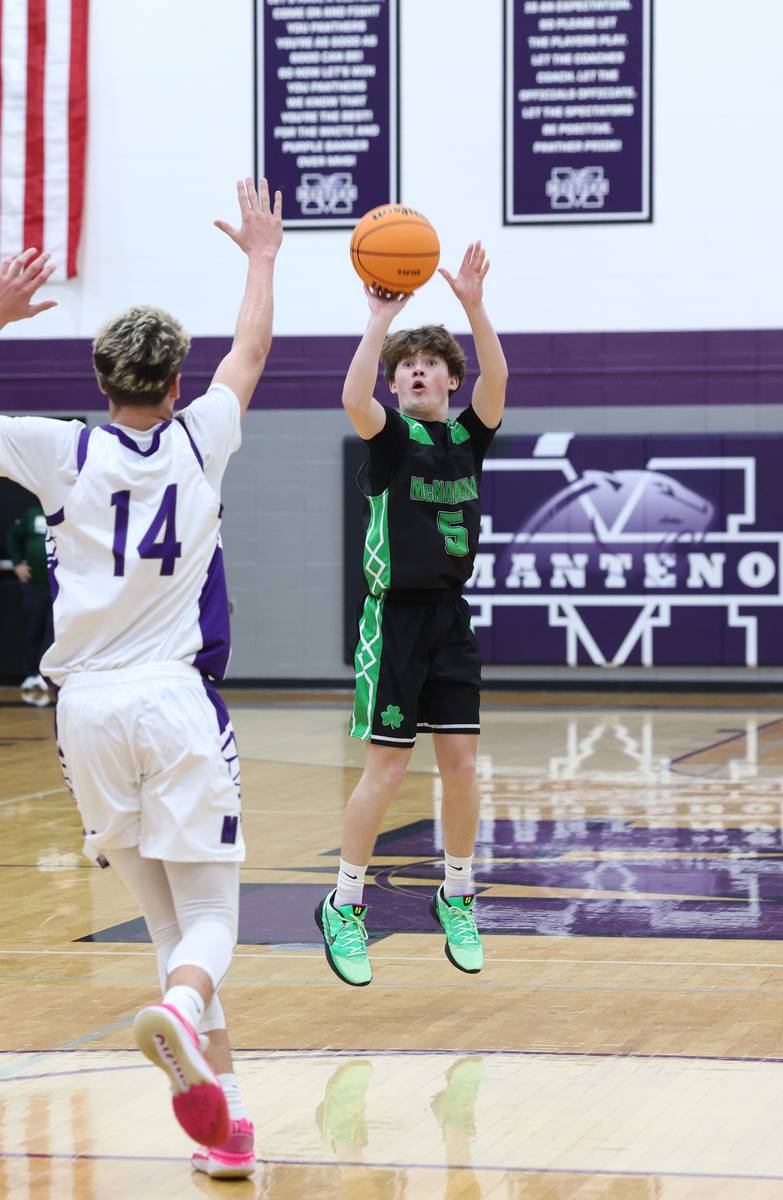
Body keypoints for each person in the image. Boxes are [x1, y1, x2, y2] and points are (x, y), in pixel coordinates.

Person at [0, 177, 282, 1180]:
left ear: (101, 375)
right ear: (174, 382)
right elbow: (250, 353)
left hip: (82, 713)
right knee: (206, 927)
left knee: (167, 926)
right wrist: (260, 256)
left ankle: (225, 1127)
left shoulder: (58, 449)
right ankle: (175, 1013)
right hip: (172, 699)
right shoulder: (202, 437)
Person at [316, 242, 508, 986]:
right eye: (406, 366)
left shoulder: (469, 436)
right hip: (392, 621)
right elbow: (350, 400)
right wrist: (378, 320)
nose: (417, 371)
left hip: (450, 619)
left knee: (461, 767)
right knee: (388, 770)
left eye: (430, 364)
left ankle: (457, 892)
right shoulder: (390, 440)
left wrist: (472, 306)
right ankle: (345, 904)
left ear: (449, 381)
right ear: (395, 385)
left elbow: (499, 379)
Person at [6, 499, 54, 694]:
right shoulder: (33, 513)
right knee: (33, 629)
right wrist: (17, 563)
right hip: (34, 585)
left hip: (58, 587)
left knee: (53, 632)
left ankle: (46, 675)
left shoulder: (67, 510)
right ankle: (29, 674)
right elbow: (12, 535)